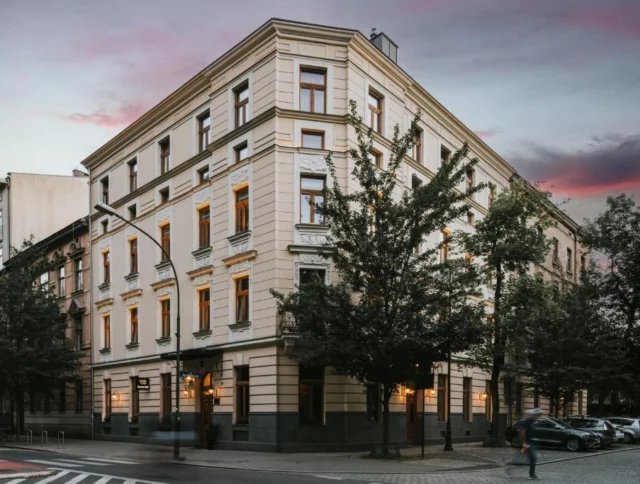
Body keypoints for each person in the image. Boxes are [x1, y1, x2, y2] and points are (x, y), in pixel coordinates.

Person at [520, 408, 543, 480]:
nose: (539, 416)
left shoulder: (533, 421)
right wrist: (524, 443)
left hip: (532, 442)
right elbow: (522, 432)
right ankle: (532, 475)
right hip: (528, 443)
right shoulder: (527, 421)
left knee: (533, 458)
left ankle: (532, 474)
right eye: (538, 415)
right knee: (533, 458)